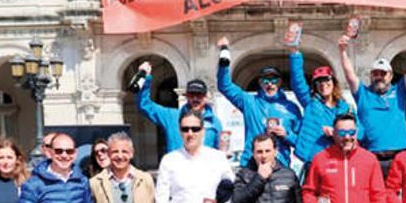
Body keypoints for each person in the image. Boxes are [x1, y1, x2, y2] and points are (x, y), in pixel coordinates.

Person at [338, 28, 406, 160]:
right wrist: (343, 51)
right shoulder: (363, 93)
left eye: (383, 74)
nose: (379, 77)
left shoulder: (400, 90)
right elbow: (349, 75)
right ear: (371, 76)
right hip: (371, 154)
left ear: (390, 76)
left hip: (399, 155)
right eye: (375, 73)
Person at [301, 114, 385, 203]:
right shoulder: (320, 159)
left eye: (351, 132)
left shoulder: (369, 159)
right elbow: (308, 192)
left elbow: (378, 197)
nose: (347, 137)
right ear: (333, 133)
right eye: (342, 133)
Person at [217, 37, 302, 167]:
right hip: (251, 165)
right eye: (265, 81)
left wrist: (287, 135)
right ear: (260, 83)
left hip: (280, 166)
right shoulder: (249, 102)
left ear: (280, 83)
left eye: (274, 80)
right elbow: (225, 86)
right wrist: (224, 54)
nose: (270, 84)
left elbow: (301, 142)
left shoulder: (291, 108)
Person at [136, 61, 223, 151]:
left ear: (205, 97)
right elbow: (144, 105)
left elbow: (220, 152)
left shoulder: (214, 122)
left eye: (199, 95)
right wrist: (145, 77)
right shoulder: (171, 116)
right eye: (191, 94)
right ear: (186, 96)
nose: (195, 98)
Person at [287, 47, 354, 164]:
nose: (323, 85)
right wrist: (294, 53)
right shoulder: (311, 102)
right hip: (311, 159)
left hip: (336, 159)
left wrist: (336, 132)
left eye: (327, 80)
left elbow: (358, 131)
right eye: (319, 82)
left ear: (334, 83)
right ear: (315, 86)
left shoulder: (345, 108)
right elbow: (298, 82)